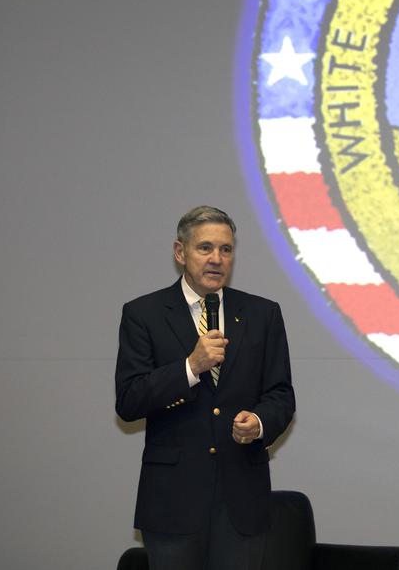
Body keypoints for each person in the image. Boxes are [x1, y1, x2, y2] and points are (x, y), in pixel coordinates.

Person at [116, 205, 295, 570]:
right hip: (172, 503)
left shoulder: (263, 314)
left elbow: (281, 395)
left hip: (241, 502)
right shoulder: (144, 314)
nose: (217, 259)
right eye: (205, 248)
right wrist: (190, 367)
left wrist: (258, 423)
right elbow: (129, 400)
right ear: (180, 252)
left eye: (226, 249)